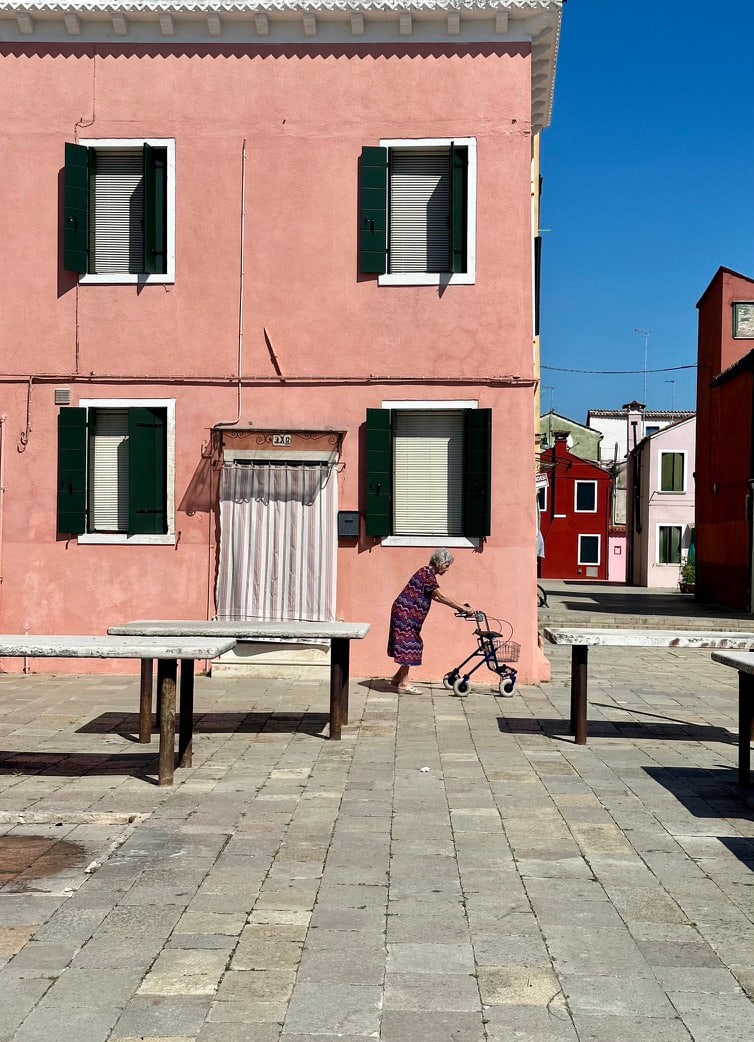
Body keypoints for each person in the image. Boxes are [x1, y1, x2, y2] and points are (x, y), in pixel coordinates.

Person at [387, 548, 474, 693]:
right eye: (447, 565)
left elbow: (434, 597)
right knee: (411, 645)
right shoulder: (427, 574)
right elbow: (441, 596)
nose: (447, 569)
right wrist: (463, 608)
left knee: (410, 644)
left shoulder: (427, 573)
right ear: (440, 563)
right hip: (405, 614)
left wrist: (458, 607)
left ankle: (398, 678)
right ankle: (404, 684)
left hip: (405, 613)